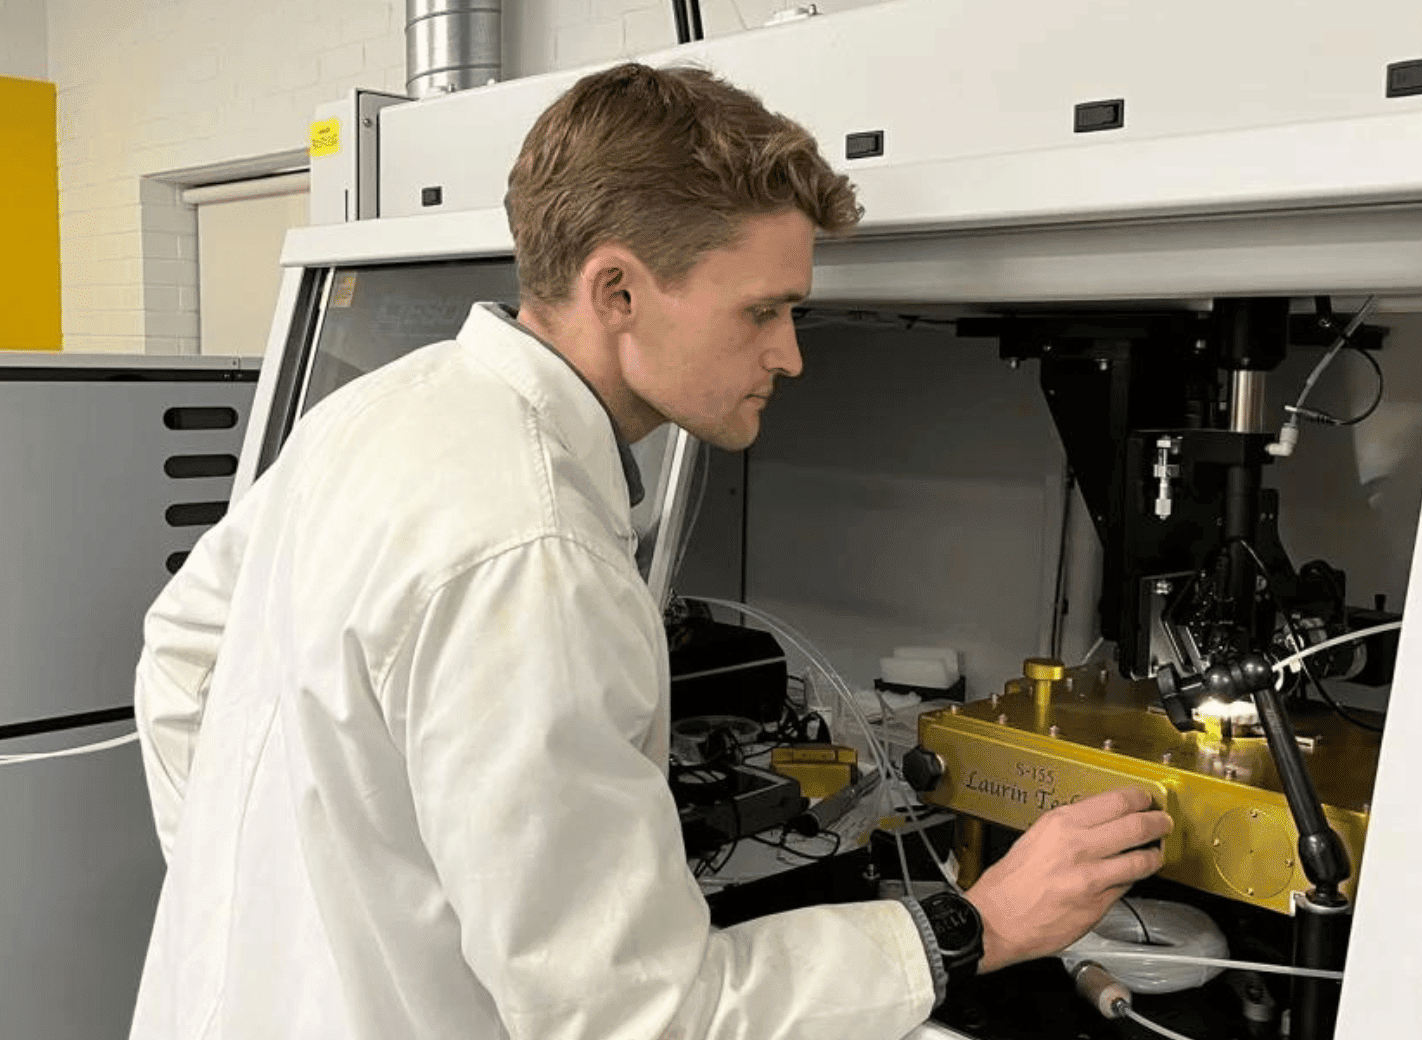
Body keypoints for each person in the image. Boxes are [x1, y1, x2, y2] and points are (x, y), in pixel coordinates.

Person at [129, 62, 1173, 1040]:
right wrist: (972, 926)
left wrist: (277, 904)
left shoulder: (372, 414)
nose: (791, 354)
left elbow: (180, 661)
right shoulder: (535, 550)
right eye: (761, 311)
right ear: (617, 291)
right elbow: (637, 1016)